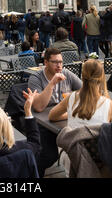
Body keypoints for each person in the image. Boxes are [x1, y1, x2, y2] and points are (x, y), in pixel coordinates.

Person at [28, 47, 82, 176]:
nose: (59, 65)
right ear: (46, 62)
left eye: (61, 62)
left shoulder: (66, 73)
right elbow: (39, 107)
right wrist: (51, 83)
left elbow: (85, 90)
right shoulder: (36, 78)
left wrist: (75, 95)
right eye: (55, 62)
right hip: (42, 122)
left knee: (83, 147)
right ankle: (33, 174)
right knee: (49, 155)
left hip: (64, 120)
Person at [48, 59, 112, 126]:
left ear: (82, 76)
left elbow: (52, 116)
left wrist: (71, 113)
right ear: (102, 77)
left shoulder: (71, 98)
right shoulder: (111, 107)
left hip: (73, 138)